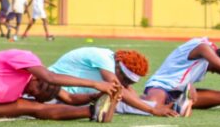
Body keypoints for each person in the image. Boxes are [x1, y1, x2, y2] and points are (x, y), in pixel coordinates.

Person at [48, 47, 176, 117]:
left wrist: (151, 106)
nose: (126, 84)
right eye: (126, 80)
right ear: (118, 68)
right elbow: (119, 89)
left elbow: (127, 90)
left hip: (75, 97)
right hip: (50, 91)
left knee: (119, 101)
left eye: (130, 82)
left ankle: (173, 107)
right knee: (118, 100)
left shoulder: (113, 63)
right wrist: (152, 110)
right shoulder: (103, 58)